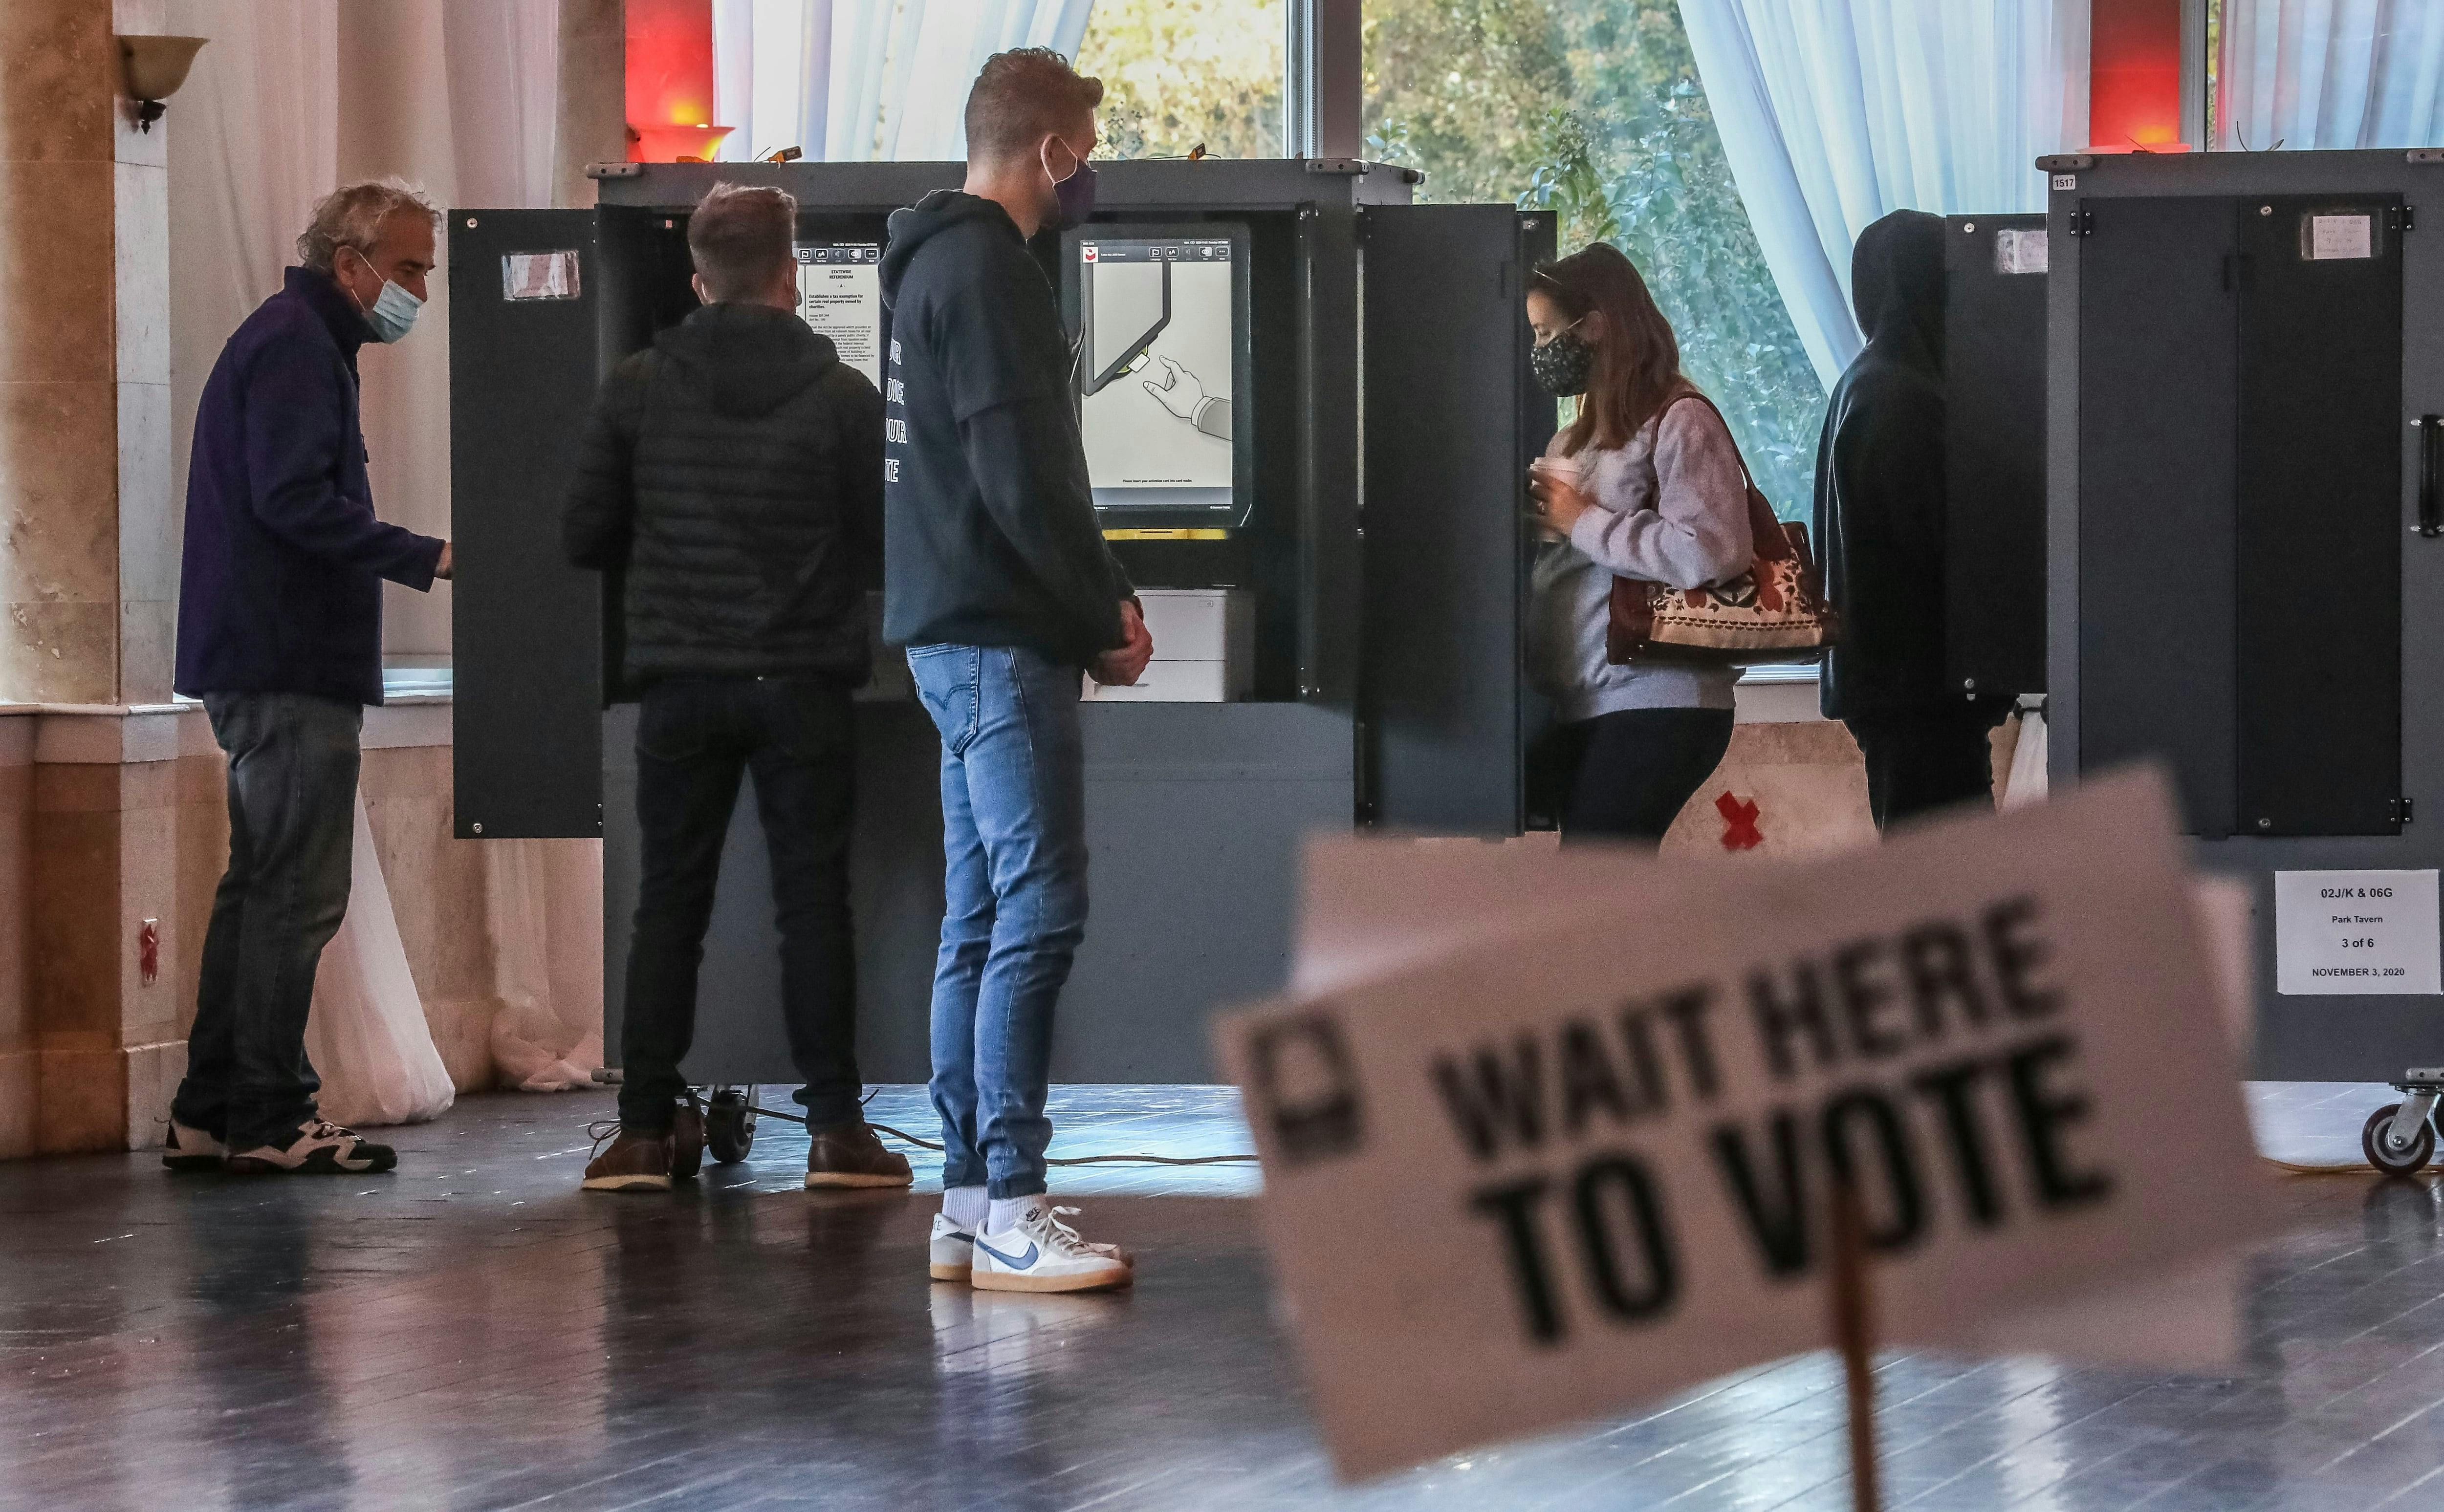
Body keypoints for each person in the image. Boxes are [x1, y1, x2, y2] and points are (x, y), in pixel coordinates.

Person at [565, 183, 909, 1196]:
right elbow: (884, 540)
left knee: (668, 903)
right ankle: (837, 1132)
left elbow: (584, 534)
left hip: (679, 682)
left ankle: (639, 1131)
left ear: (696, 274)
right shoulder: (842, 395)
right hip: (801, 681)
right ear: (790, 273)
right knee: (815, 905)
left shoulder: (635, 386)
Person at [880, 47, 1152, 1294]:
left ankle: (967, 1198)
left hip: (953, 631)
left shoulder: (929, 263)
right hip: (1002, 637)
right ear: (1053, 150)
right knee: (1039, 913)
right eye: (1082, 153)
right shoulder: (990, 271)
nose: (1085, 176)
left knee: (979, 919)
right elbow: (1026, 474)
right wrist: (1099, 613)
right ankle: (1013, 1204)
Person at [166, 181, 455, 1175]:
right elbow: (291, 500)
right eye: (410, 266)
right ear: (351, 261)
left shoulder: (295, 336)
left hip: (260, 652)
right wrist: (430, 555)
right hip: (283, 655)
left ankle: (211, 1108)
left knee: (262, 886)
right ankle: (268, 1117)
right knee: (296, 892)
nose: (420, 288)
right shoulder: (297, 344)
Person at [1522, 244, 1753, 845]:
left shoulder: (1680, 420)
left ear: (1594, 328)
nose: (1541, 351)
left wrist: (1581, 520)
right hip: (1586, 698)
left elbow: (1709, 552)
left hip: (1658, 697)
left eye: (1547, 333)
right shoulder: (1574, 436)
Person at [1814, 209, 2000, 829]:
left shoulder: (1868, 381)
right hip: (1919, 692)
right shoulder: (1905, 396)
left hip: (1897, 687)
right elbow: (1942, 541)